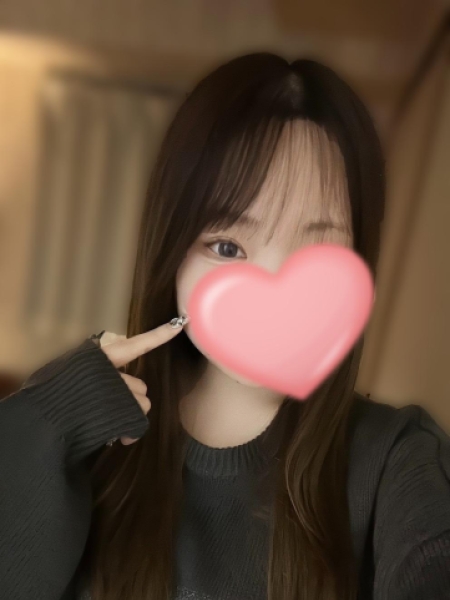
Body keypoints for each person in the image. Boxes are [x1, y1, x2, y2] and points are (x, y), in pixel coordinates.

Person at [1, 52, 450, 600]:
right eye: (228, 247)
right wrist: (43, 422)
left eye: (318, 250)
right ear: (172, 254)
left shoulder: (396, 457)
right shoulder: (82, 441)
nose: (274, 289)